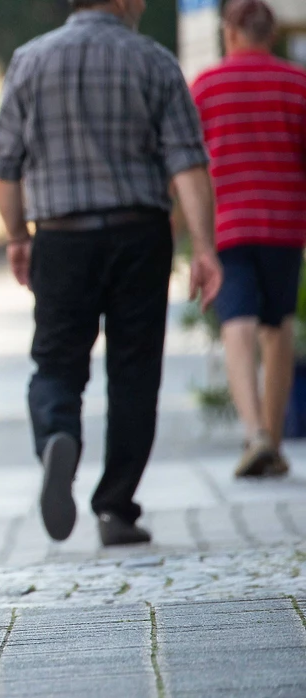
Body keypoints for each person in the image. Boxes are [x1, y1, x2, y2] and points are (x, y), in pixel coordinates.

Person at [0, 0, 224, 546]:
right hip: (140, 233)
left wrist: (18, 236)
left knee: (56, 361)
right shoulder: (154, 60)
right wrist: (205, 247)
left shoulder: (29, 61)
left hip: (62, 236)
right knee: (135, 372)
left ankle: (58, 434)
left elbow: (3, 166)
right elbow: (188, 163)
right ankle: (116, 508)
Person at [191, 0, 306, 479]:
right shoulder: (297, 84)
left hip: (228, 226)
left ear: (232, 34)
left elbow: (188, 163)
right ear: (270, 35)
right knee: (278, 326)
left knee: (236, 322)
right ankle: (273, 441)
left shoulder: (206, 86)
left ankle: (255, 433)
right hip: (285, 224)